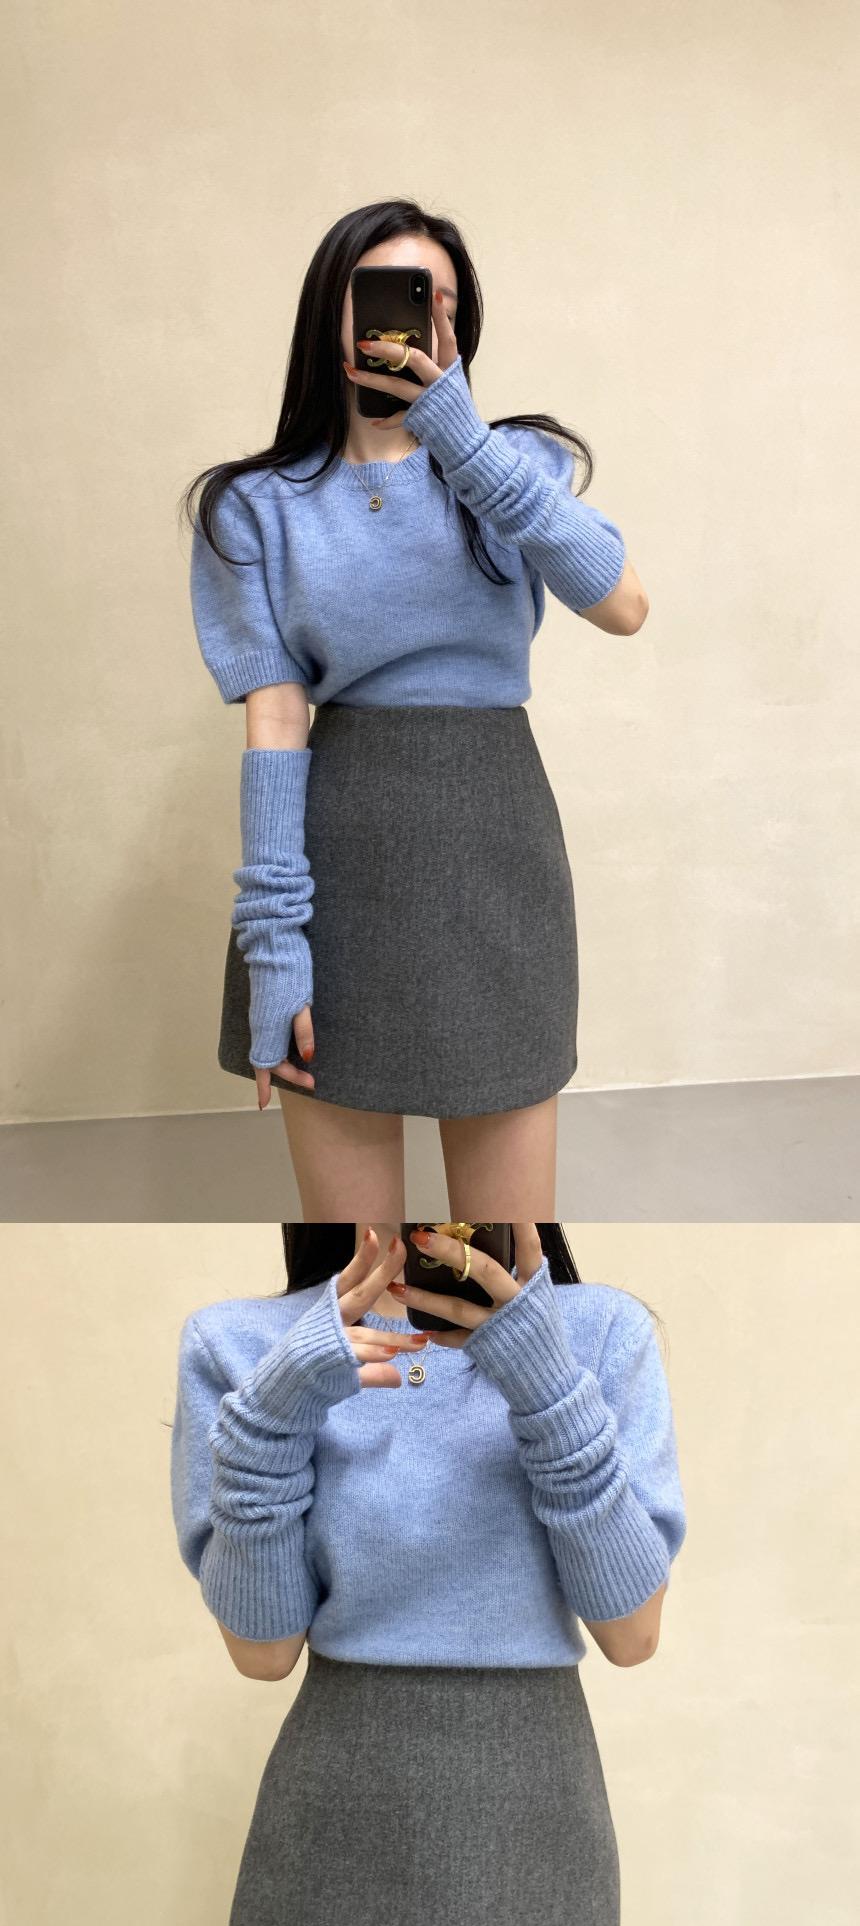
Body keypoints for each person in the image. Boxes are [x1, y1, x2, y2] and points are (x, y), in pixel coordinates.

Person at [172, 1225, 686, 1926]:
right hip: (348, 1824)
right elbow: (263, 1650)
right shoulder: (249, 1344)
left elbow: (632, 1631)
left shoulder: (597, 1332)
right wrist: (272, 1421)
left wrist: (545, 1381)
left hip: (536, 1818)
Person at [182, 199, 648, 1219]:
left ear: (456, 322)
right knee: (356, 1263)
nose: (411, 319)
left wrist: (459, 436)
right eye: (387, 295)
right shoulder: (253, 506)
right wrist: (273, 943)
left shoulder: (514, 464)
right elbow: (275, 722)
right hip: (336, 861)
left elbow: (620, 603)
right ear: (333, 315)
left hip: (495, 847)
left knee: (506, 1259)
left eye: (436, 298)